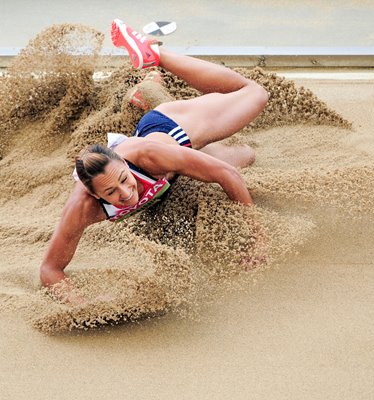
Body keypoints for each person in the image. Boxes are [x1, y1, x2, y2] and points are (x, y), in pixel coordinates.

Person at [40, 19, 269, 295]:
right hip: (172, 165)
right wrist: (79, 304)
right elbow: (50, 270)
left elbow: (226, 175)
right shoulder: (82, 210)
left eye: (125, 180)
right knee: (245, 154)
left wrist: (257, 239)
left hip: (172, 132)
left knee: (255, 94)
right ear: (94, 195)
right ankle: (147, 90)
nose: (126, 193)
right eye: (111, 192)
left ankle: (156, 56)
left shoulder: (148, 157)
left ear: (125, 164)